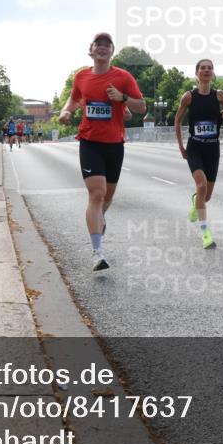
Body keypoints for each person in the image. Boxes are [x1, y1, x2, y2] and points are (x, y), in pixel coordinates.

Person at [58, 32, 145, 271]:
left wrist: (122, 98)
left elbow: (141, 106)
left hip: (115, 144)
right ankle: (97, 252)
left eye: (107, 45)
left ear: (112, 51)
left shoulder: (123, 77)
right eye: (99, 44)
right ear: (91, 50)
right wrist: (66, 111)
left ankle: (100, 218)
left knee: (107, 197)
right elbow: (73, 99)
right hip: (89, 142)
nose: (103, 48)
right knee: (96, 194)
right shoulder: (82, 76)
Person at [173, 58, 223, 250]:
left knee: (206, 195)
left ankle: (196, 200)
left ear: (213, 73)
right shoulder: (189, 97)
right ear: (197, 73)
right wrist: (181, 147)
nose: (206, 70)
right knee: (201, 185)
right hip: (195, 148)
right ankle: (205, 234)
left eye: (209, 68)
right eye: (203, 68)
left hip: (213, 149)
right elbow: (177, 121)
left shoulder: (219, 95)